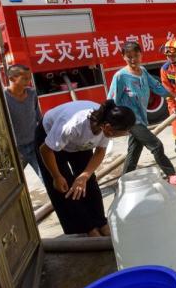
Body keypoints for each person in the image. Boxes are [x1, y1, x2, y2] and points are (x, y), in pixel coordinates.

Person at [36, 99, 135, 236]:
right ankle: (86, 229)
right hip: (49, 139)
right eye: (119, 134)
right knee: (65, 186)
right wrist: (56, 176)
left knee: (88, 182)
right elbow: (45, 150)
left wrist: (84, 175)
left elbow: (100, 151)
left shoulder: (106, 124)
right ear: (107, 127)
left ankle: (100, 222)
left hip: (79, 143)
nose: (117, 137)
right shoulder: (73, 125)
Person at [108, 40, 176, 185]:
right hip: (130, 120)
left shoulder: (143, 71)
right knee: (156, 145)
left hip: (141, 118)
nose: (133, 59)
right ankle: (171, 174)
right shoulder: (120, 76)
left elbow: (156, 86)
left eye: (135, 55)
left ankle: (124, 181)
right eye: (128, 56)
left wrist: (174, 96)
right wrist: (110, 122)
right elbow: (111, 99)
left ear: (141, 55)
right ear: (123, 57)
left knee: (134, 151)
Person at [4, 64, 43, 180]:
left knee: (46, 177)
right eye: (25, 78)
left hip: (33, 144)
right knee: (12, 182)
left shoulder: (32, 94)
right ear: (12, 79)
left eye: (29, 77)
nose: (29, 81)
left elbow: (38, 117)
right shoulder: (3, 97)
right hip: (14, 149)